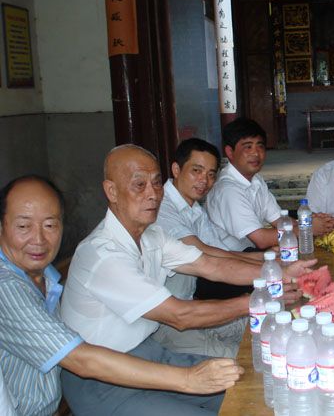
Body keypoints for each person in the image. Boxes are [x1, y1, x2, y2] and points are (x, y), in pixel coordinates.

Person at [59, 145, 316, 415]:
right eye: (139, 185)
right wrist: (256, 300)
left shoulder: (151, 236)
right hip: (102, 382)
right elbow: (180, 316)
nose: (153, 194)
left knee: (252, 389)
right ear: (111, 191)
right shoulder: (104, 255)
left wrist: (279, 273)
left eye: (157, 184)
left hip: (150, 354)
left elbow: (212, 265)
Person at [0, 175, 243, 416]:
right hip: (94, 383)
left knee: (241, 390)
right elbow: (81, 360)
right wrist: (189, 379)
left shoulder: (43, 276)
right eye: (23, 226)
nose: (39, 239)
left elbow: (211, 263)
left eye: (50, 225)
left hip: (133, 360)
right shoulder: (8, 287)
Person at [153, 138, 258, 358]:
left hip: (196, 306)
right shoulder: (163, 209)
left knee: (263, 330)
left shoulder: (193, 208)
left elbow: (220, 252)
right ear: (176, 169)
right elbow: (207, 256)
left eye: (211, 174)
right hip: (169, 322)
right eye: (197, 171)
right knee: (243, 361)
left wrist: (270, 260)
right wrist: (272, 268)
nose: (204, 181)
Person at [206, 117, 334, 251]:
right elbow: (262, 240)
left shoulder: (256, 180)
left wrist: (307, 222)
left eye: (260, 146)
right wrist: (307, 229)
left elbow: (279, 220)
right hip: (233, 260)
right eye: (248, 147)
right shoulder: (228, 190)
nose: (256, 153)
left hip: (252, 252)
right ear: (230, 152)